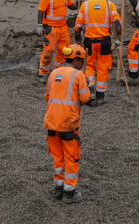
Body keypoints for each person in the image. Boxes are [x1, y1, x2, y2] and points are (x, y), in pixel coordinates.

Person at [45, 44, 91, 203]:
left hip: (51, 122)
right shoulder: (78, 75)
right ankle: (69, 192)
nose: (82, 65)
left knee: (58, 157)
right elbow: (85, 98)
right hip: (68, 123)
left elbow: (47, 96)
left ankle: (58, 189)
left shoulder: (53, 73)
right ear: (76, 60)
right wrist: (87, 85)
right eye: (82, 61)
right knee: (71, 157)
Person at [74, 0, 122, 106]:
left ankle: (90, 91)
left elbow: (78, 26)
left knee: (89, 65)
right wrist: (118, 38)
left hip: (89, 41)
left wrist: (78, 40)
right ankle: (100, 96)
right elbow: (117, 24)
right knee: (102, 67)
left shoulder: (85, 5)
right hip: (104, 41)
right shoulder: (109, 4)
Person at [37, 0, 75, 81]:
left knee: (65, 49)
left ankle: (59, 69)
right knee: (49, 50)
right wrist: (40, 25)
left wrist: (77, 4)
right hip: (51, 28)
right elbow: (41, 11)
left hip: (63, 27)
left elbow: (71, 6)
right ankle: (43, 72)